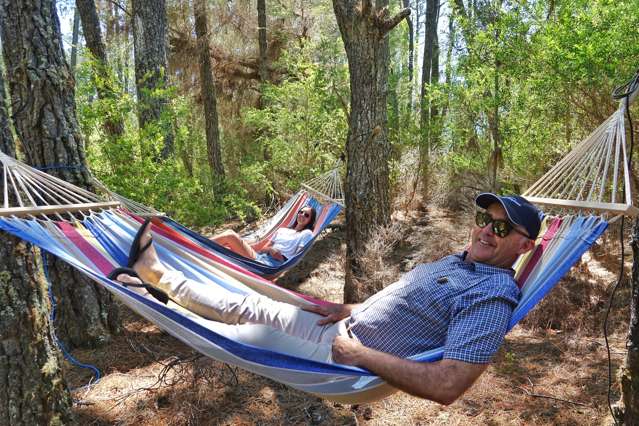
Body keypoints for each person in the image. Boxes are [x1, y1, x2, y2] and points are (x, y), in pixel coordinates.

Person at [113, 193, 540, 405]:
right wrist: (351, 308)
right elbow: (407, 302)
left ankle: (154, 287)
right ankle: (153, 282)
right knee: (246, 304)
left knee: (242, 332)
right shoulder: (460, 262)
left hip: (344, 359)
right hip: (340, 328)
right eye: (486, 220)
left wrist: (361, 355)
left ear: (523, 247)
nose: (486, 231)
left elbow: (449, 385)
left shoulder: (491, 296)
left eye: (502, 229)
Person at [211, 205, 317, 266]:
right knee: (226, 246)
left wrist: (282, 261)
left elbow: (297, 257)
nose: (302, 215)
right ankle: (197, 249)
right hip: (260, 257)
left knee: (231, 235)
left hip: (271, 265)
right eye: (301, 212)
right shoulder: (282, 230)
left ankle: (197, 244)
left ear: (310, 220)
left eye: (306, 215)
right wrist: (271, 250)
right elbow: (263, 248)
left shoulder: (306, 234)